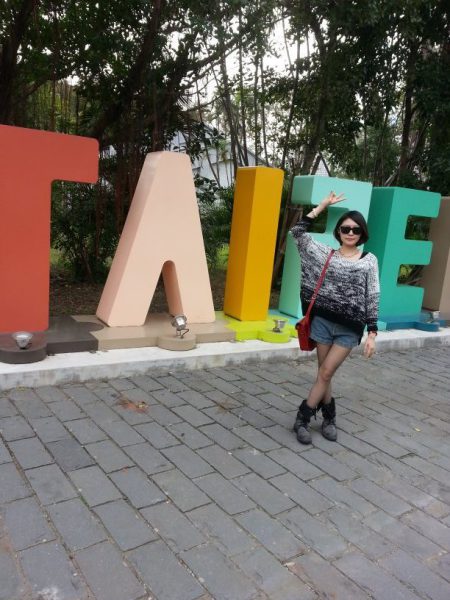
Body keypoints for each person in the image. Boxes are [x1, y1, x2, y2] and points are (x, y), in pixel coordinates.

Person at [291, 191, 380, 444]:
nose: (350, 233)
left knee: (326, 371)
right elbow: (297, 233)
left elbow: (372, 295)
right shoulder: (326, 255)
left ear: (362, 233)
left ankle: (302, 418)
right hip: (322, 323)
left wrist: (372, 333)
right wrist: (321, 206)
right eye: (345, 229)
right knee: (324, 374)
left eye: (355, 229)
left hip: (348, 329)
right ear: (338, 231)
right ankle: (329, 417)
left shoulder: (369, 261)